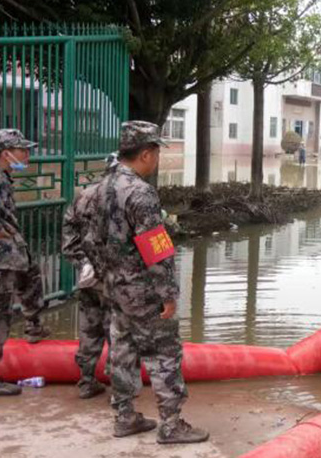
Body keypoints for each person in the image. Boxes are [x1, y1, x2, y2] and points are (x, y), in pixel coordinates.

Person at [85, 121, 207, 443]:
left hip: (113, 287)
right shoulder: (140, 193)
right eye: (155, 154)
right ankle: (171, 424)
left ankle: (124, 416)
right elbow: (156, 247)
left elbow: (90, 240)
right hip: (143, 292)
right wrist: (168, 292)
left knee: (121, 352)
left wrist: (107, 276)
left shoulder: (99, 189)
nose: (156, 161)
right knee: (163, 353)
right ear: (146, 153)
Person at [0, 129, 51, 397]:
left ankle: (33, 325)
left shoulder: (2, 176)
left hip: (9, 252)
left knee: (30, 277)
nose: (28, 155)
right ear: (6, 153)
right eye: (22, 150)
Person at [61, 152, 119, 399]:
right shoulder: (130, 196)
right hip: (118, 279)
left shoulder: (83, 196)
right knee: (119, 332)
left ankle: (86, 381)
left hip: (89, 276)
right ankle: (120, 391)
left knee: (89, 328)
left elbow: (68, 236)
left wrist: (84, 262)